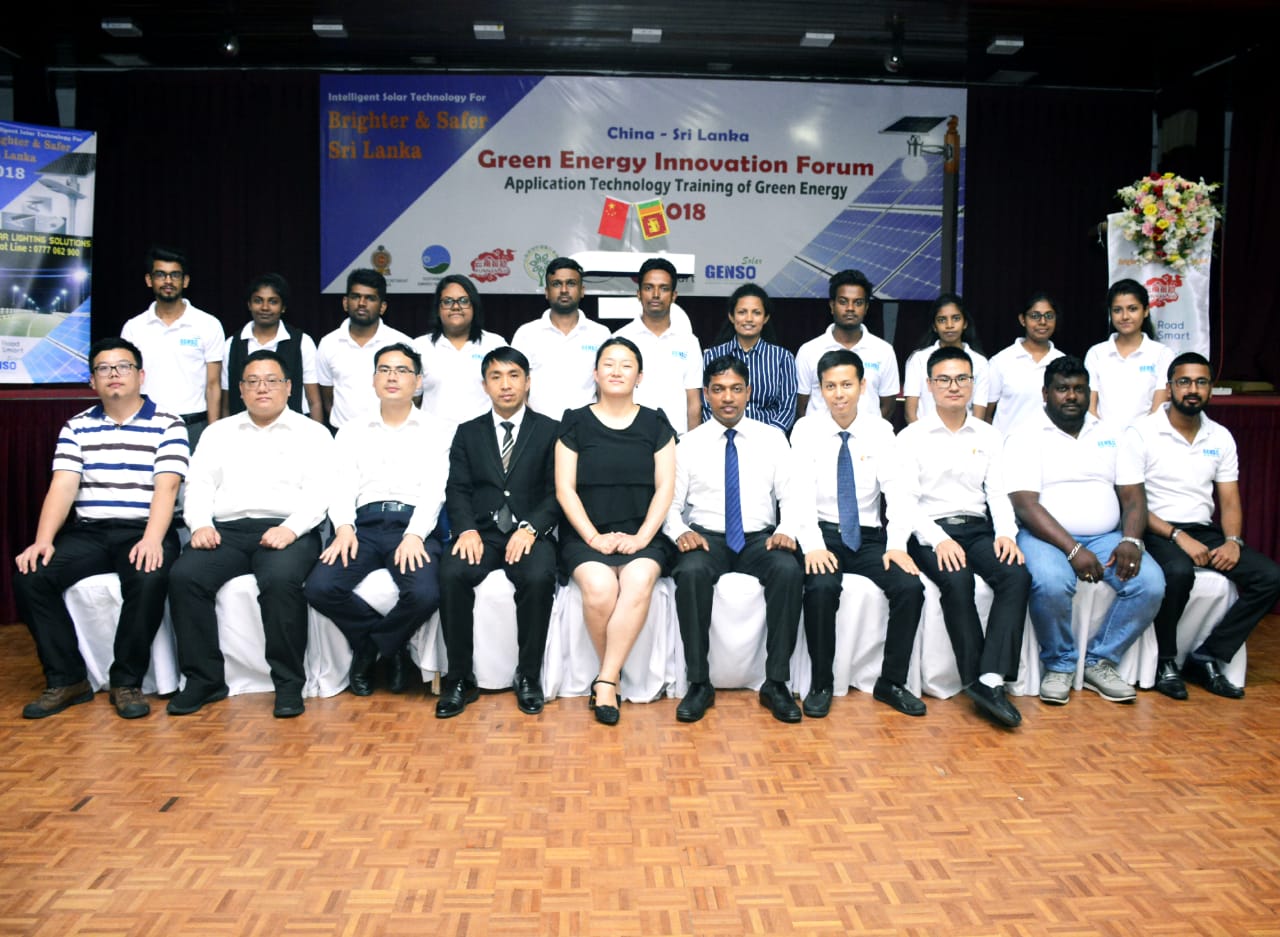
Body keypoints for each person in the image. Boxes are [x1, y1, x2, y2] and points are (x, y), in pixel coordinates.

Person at [14, 337, 189, 720]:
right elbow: (62, 486)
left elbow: (168, 486)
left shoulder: (168, 423)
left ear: (140, 375)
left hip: (144, 528)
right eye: (104, 368)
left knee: (149, 575)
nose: (114, 374)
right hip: (89, 532)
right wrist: (42, 541)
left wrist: (152, 539)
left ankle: (126, 681)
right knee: (31, 575)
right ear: (92, 380)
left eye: (123, 366)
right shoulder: (76, 426)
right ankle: (67, 678)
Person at [166, 350, 334, 719]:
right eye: (253, 381)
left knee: (280, 580)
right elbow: (199, 484)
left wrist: (290, 529)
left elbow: (321, 492)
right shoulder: (217, 432)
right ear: (240, 390)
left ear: (288, 388)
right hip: (224, 531)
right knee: (185, 576)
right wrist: (200, 524)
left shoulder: (313, 433)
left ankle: (288, 683)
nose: (262, 388)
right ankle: (203, 680)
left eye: (272, 381)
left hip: (288, 529)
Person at [1005, 355, 1165, 706]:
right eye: (1062, 389)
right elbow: (1025, 505)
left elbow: (1133, 496)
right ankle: (1060, 664)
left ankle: (1099, 661)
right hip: (1044, 537)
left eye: (1079, 389)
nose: (1071, 396)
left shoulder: (1112, 434)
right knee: (1051, 583)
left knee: (1150, 584)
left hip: (1107, 537)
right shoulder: (1024, 435)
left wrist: (1131, 539)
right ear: (1045, 393)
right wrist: (1073, 550)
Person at [304, 343, 453, 698]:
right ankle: (384, 646)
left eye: (402, 370)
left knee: (426, 593)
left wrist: (415, 535)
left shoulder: (438, 430)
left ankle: (378, 646)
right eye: (384, 370)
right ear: (373, 380)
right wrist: (343, 527)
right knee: (319, 587)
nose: (392, 377)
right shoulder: (351, 430)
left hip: (412, 525)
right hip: (364, 527)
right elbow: (341, 486)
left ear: (418, 381)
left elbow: (435, 491)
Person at [665, 356, 808, 724]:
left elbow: (792, 496)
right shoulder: (688, 444)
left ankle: (776, 682)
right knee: (690, 572)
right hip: (707, 538)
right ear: (706, 394)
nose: (727, 397)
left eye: (735, 389)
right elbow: (669, 505)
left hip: (760, 539)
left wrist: (787, 530)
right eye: (718, 389)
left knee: (788, 570)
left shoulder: (772, 438)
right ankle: (699, 683)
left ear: (748, 391)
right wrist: (680, 532)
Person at [1132, 352, 1280, 699]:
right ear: (1170, 387)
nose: (1192, 389)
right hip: (1155, 528)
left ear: (1211, 389)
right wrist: (1177, 536)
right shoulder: (1142, 432)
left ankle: (1208, 655)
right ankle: (1165, 662)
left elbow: (1229, 499)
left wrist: (1233, 541)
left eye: (1201, 382)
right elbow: (1133, 502)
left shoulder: (1220, 436)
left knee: (1270, 577)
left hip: (1203, 529)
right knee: (1178, 571)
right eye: (1184, 382)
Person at [898, 347, 1030, 728]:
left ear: (973, 384)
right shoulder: (910, 437)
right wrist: (938, 538)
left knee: (1016, 575)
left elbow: (998, 494)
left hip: (977, 528)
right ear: (929, 385)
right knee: (957, 580)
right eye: (944, 379)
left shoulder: (989, 435)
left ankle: (990, 678)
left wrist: (1006, 533)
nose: (953, 386)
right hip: (930, 531)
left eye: (961, 379)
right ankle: (977, 680)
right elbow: (905, 502)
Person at [792, 349, 926, 717]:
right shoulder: (806, 430)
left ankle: (891, 682)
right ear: (820, 389)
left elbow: (898, 491)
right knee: (821, 587)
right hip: (823, 534)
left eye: (847, 385)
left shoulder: (880, 431)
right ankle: (822, 683)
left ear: (862, 386)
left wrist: (897, 545)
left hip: (868, 537)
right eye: (830, 386)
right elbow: (798, 493)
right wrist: (813, 546)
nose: (839, 394)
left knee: (910, 588)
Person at [555, 337, 677, 725]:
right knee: (600, 586)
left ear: (639, 376)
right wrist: (593, 537)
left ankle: (606, 679)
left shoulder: (656, 423)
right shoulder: (574, 421)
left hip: (643, 532)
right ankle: (613, 678)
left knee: (638, 578)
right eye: (609, 363)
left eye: (627, 365)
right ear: (595, 373)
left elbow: (666, 487)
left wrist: (642, 538)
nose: (617, 371)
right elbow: (564, 489)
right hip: (586, 534)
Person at [437, 347, 560, 718]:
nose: (505, 385)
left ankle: (528, 676)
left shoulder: (550, 430)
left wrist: (532, 528)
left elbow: (558, 491)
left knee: (538, 578)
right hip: (482, 533)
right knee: (451, 573)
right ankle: (459, 678)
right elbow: (457, 488)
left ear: (527, 382)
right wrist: (465, 530)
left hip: (529, 533)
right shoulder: (467, 432)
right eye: (496, 377)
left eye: (513, 376)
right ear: (485, 385)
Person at [120, 246, 223, 449]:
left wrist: (212, 436)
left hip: (193, 425)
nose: (168, 281)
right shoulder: (133, 328)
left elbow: (213, 385)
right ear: (149, 280)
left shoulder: (208, 324)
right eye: (160, 275)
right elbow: (127, 382)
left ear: (185, 281)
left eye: (175, 275)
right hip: (146, 424)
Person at [512, 257, 611, 421]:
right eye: (556, 284)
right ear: (546, 292)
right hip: (539, 429)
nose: (564, 290)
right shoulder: (526, 334)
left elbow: (606, 387)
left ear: (582, 290)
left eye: (571, 283)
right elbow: (515, 384)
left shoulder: (600, 334)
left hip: (587, 428)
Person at [795, 269, 900, 421]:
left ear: (866, 307)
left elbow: (888, 406)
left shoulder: (884, 351)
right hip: (820, 434)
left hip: (867, 434)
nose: (850, 308)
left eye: (858, 302)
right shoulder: (809, 351)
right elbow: (801, 406)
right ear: (832, 305)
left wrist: (864, 431)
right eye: (843, 302)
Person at [614, 257, 703, 435]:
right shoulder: (620, 339)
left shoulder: (689, 342)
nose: (655, 294)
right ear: (638, 294)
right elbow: (610, 395)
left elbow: (693, 402)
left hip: (676, 439)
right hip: (629, 437)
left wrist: (692, 445)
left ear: (674, 296)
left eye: (663, 288)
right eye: (648, 288)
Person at [316, 268, 412, 430]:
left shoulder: (402, 344)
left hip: (390, 433)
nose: (361, 303)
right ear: (345, 302)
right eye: (356, 297)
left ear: (382, 307)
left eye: (370, 298)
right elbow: (328, 399)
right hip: (343, 434)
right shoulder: (328, 343)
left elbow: (412, 396)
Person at [221, 273, 323, 422]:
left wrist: (318, 434)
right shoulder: (232, 344)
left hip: (292, 428)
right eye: (258, 301)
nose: (265, 307)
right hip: (244, 428)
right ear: (249, 304)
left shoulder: (302, 342)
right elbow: (226, 404)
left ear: (283, 307)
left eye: (273, 302)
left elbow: (314, 401)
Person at [699, 284, 798, 433]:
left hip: (768, 438)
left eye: (756, 313)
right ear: (731, 316)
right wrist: (726, 435)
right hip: (724, 438)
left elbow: (788, 407)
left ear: (766, 318)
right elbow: (707, 405)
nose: (749, 319)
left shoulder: (782, 357)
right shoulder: (712, 355)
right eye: (742, 312)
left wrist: (770, 436)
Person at [415, 274, 506, 424]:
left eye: (463, 301)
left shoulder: (495, 344)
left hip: (483, 435)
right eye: (447, 301)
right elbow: (412, 399)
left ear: (474, 306)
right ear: (438, 309)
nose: (456, 307)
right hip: (434, 434)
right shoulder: (419, 347)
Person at [1085, 279, 1175, 425]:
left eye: (1132, 309)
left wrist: (1138, 437)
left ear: (1146, 311)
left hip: (1147, 437)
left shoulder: (1162, 354)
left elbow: (1158, 411)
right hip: (1103, 437)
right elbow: (1091, 408)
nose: (1125, 316)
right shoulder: (1096, 353)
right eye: (1117, 310)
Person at [984, 291, 1066, 435]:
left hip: (1051, 445)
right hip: (1008, 446)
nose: (1042, 322)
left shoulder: (1062, 362)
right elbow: (986, 414)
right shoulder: (1001, 361)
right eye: (1035, 316)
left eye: (1049, 316)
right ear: (1022, 319)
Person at [902, 293, 989, 423]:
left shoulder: (980, 362)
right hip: (924, 433)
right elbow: (910, 413)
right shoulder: (918, 359)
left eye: (956, 318)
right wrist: (920, 435)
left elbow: (979, 414)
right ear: (934, 326)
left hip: (965, 434)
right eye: (942, 320)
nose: (949, 325)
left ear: (965, 323)